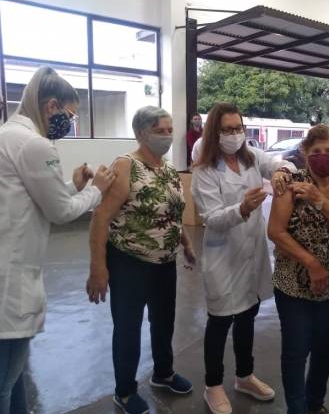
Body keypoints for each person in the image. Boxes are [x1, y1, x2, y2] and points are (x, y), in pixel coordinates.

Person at [0, 66, 115, 414]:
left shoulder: (9, 135)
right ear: (51, 106)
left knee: (14, 378)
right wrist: (97, 190)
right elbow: (61, 212)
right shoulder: (35, 144)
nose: (69, 122)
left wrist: (74, 186)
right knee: (5, 381)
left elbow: (34, 196)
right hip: (11, 280)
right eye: (70, 115)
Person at [86, 106, 194, 414]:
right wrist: (98, 267)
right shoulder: (126, 165)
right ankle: (125, 391)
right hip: (129, 262)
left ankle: (163, 373)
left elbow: (172, 214)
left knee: (164, 321)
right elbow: (100, 218)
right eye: (160, 131)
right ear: (141, 133)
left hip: (165, 263)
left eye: (170, 130)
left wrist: (186, 243)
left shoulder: (168, 169)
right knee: (128, 328)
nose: (167, 136)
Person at [191, 103, 294, 414]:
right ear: (214, 132)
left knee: (248, 315)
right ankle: (213, 385)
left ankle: (244, 376)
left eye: (238, 128)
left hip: (251, 253)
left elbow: (280, 163)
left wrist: (280, 172)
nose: (234, 134)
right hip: (222, 255)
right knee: (220, 322)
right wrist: (243, 208)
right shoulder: (205, 170)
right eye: (227, 129)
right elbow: (211, 218)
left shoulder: (250, 157)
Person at [268, 124, 329, 414]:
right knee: (296, 351)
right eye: (316, 151)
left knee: (325, 349)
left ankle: (314, 404)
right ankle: (296, 409)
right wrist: (311, 263)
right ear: (304, 152)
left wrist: (319, 200)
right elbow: (275, 231)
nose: (323, 156)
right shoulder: (290, 183)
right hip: (293, 285)